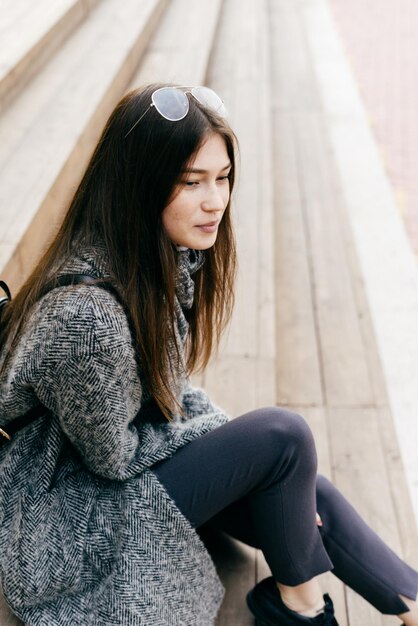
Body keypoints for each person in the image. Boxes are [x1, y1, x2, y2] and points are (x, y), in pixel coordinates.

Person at [0, 83, 417, 626]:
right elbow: (113, 460)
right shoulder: (87, 318)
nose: (215, 200)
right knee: (282, 439)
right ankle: (302, 605)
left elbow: (165, 393)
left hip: (106, 471)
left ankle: (407, 603)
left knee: (295, 477)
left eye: (222, 178)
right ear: (140, 185)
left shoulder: (153, 260)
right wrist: (233, 452)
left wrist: (240, 458)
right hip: (61, 517)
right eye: (191, 182)